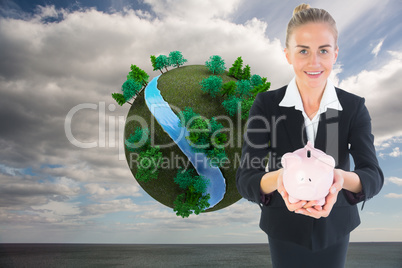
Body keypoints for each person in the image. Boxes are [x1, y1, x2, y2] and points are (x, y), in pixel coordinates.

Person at [236, 3, 384, 268]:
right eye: (303, 50)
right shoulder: (267, 105)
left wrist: (339, 179)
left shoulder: (352, 107)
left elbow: (372, 175)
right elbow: (247, 178)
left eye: (323, 51)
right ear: (288, 54)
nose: (314, 62)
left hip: (336, 227)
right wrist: (281, 180)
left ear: (335, 54)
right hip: (282, 226)